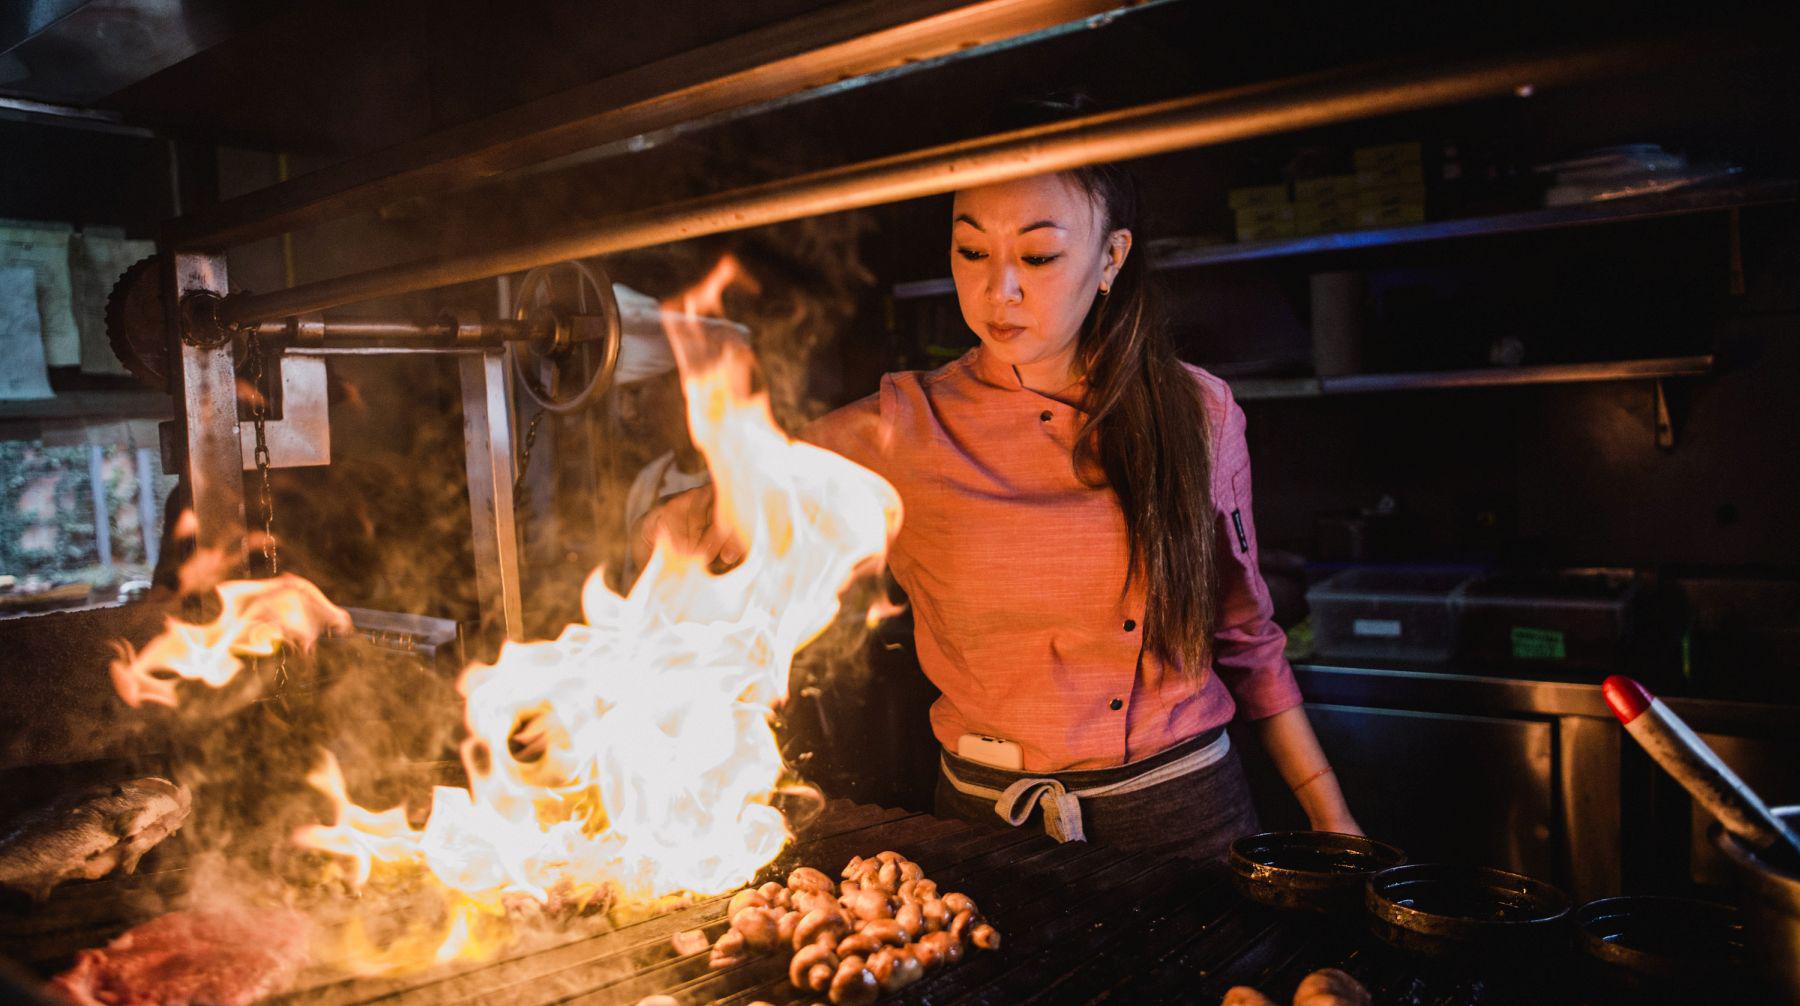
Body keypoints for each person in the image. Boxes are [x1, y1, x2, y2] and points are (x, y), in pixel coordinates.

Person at [638, 104, 1359, 861]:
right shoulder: (898, 426)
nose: (998, 289)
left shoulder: (1198, 411)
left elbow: (1247, 637)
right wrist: (681, 529)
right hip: (987, 829)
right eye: (971, 252)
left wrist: (1332, 818)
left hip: (1187, 818)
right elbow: (716, 512)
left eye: (1039, 257)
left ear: (1112, 258)